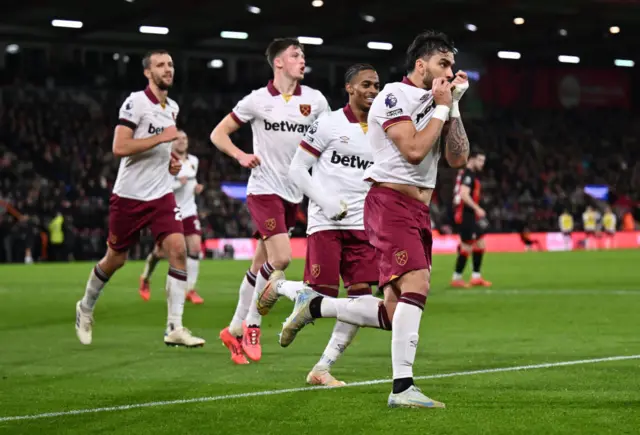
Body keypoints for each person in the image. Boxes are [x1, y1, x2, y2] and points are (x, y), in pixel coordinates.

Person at [278, 30, 470, 408]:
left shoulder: (439, 101)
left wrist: (455, 107)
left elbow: (458, 158)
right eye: (443, 64)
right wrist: (442, 107)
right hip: (389, 202)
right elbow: (414, 151)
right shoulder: (394, 95)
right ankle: (402, 389)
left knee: (394, 311)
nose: (449, 71)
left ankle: (314, 305)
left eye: (452, 65)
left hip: (418, 209)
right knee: (418, 281)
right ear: (421, 65)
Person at [255, 64, 380, 385]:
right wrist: (325, 202)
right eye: (365, 84)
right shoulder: (327, 123)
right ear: (349, 88)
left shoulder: (382, 129)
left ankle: (322, 369)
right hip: (326, 223)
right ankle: (280, 287)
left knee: (361, 304)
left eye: (377, 85)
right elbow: (297, 170)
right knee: (320, 293)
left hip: (362, 226)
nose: (372, 91)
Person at [210, 38, 330, 364]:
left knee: (258, 266)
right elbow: (218, 134)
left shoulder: (315, 101)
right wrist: (239, 155)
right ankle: (252, 324)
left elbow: (330, 137)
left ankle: (232, 329)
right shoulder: (257, 101)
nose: (302, 59)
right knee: (281, 258)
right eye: (295, 54)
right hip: (263, 190)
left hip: (294, 193)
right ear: (278, 62)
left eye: (303, 54)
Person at [75, 50, 205, 348]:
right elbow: (119, 147)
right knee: (115, 259)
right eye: (160, 65)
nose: (168, 69)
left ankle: (175, 327)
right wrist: (162, 139)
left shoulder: (172, 106)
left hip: (161, 194)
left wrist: (170, 160)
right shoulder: (135, 102)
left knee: (178, 249)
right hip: (130, 196)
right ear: (148, 72)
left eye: (171, 64)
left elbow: (160, 150)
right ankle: (85, 307)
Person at [138, 129, 205, 304]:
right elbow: (158, 186)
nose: (182, 141)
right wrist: (177, 184)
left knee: (195, 248)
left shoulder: (193, 161)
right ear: (172, 142)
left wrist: (197, 187)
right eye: (178, 139)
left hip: (189, 210)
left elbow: (193, 181)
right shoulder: (164, 162)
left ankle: (190, 289)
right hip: (169, 211)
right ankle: (145, 278)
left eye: (185, 138)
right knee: (160, 252)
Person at [450, 149, 491, 287]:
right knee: (466, 247)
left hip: (470, 216)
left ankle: (476, 277)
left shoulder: (468, 174)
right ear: (472, 159)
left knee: (480, 244)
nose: (482, 164)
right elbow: (464, 194)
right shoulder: (468, 175)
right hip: (466, 215)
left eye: (483, 161)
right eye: (480, 160)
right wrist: (477, 208)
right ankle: (456, 278)